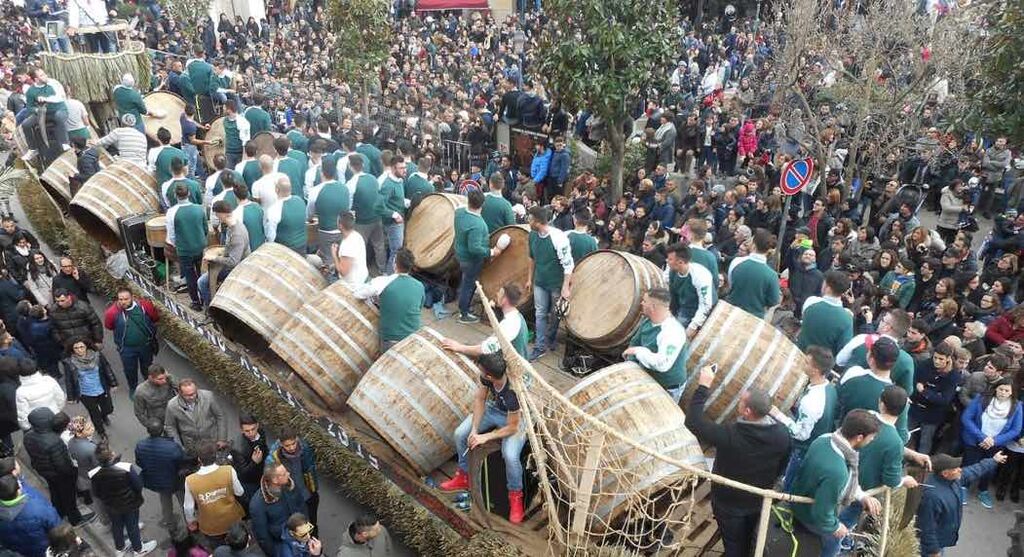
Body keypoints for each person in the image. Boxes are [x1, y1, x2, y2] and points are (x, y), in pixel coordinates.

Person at [685, 365, 791, 557]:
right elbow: (782, 466)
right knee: (750, 539)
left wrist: (703, 386)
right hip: (758, 500)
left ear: (747, 411)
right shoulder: (782, 435)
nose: (738, 403)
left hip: (728, 503)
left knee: (733, 544)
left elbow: (693, 422)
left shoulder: (731, 435)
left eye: (741, 401)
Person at [440, 352, 527, 523]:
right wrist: (474, 430)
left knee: (510, 455)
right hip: (494, 409)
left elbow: (512, 426)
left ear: (490, 376)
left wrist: (486, 436)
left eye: (481, 371)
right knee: (460, 434)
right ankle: (464, 476)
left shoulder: (512, 393)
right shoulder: (487, 378)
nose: (479, 373)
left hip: (516, 419)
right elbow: (480, 400)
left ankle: (515, 496)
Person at [790, 410, 882, 557]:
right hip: (808, 515)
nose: (871, 441)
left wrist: (862, 496)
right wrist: (836, 527)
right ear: (859, 437)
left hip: (798, 499)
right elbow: (822, 514)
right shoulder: (837, 472)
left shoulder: (824, 439)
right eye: (871, 438)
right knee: (835, 542)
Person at [839, 386, 921, 531]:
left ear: (881, 403)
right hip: (863, 490)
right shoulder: (895, 442)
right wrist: (904, 480)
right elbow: (891, 480)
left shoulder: (866, 417)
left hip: (841, 474)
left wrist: (914, 454)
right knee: (844, 523)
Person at [772, 346, 839, 491]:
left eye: (807, 363)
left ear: (815, 370)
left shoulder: (811, 402)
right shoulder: (829, 388)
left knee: (789, 487)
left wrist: (777, 414)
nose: (803, 364)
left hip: (803, 452)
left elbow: (801, 434)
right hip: (815, 446)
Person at [917, 451, 1009, 556]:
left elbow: (974, 470)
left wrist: (993, 460)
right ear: (945, 473)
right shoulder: (932, 497)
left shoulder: (953, 479)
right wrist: (933, 550)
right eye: (955, 469)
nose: (960, 470)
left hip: (941, 537)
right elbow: (926, 527)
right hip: (934, 544)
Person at [22, 408, 94, 526]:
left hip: (45, 471)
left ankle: (60, 512)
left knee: (55, 491)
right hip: (60, 475)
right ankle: (76, 519)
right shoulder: (54, 440)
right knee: (68, 496)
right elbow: (63, 465)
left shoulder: (28, 436)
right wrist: (73, 472)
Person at [960, 377, 1023, 508]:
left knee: (990, 468)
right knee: (970, 464)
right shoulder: (981, 399)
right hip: (974, 440)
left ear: (1012, 392)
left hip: (996, 444)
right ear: (995, 389)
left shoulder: (1016, 406)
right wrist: (982, 437)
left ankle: (983, 490)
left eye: (1007, 390)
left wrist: (994, 440)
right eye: (1001, 389)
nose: (1003, 393)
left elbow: (1015, 429)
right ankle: (963, 487)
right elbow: (966, 418)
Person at [89, 445, 158, 556]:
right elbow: (138, 485)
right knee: (132, 525)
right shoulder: (126, 467)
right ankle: (138, 549)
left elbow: (96, 492)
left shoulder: (93, 473)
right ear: (111, 455)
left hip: (110, 505)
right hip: (129, 503)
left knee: (116, 525)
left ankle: (120, 548)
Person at [622, 288, 689, 402]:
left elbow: (662, 364)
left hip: (667, 387)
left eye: (644, 301)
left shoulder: (673, 332)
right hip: (649, 378)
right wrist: (630, 365)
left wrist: (638, 351)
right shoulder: (648, 322)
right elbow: (634, 342)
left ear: (653, 307)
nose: (641, 303)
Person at [526, 205, 574, 360]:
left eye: (530, 219)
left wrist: (565, 287)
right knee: (540, 313)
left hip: (555, 284)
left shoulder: (558, 238)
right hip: (540, 282)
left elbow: (568, 265)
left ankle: (551, 337)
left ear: (538, 222)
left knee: (555, 314)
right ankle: (540, 346)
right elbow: (531, 258)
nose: (528, 221)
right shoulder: (532, 235)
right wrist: (529, 278)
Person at [454, 190, 509, 323]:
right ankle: (463, 313)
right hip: (471, 260)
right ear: (482, 204)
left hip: (460, 254)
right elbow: (474, 248)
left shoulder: (459, 213)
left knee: (465, 281)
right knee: (468, 285)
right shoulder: (478, 225)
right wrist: (492, 252)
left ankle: (463, 304)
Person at [354, 249, 425, 351]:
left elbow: (358, 294)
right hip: (413, 337)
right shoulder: (420, 286)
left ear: (394, 265)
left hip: (391, 338)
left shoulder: (382, 281)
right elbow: (419, 308)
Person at [442, 283, 530, 358]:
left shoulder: (510, 324)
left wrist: (459, 347)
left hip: (513, 368)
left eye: (500, 293)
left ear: (505, 300)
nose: (497, 294)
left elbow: (484, 349)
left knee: (474, 353)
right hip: (514, 358)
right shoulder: (517, 316)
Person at [184, 442, 245, 547]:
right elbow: (239, 492)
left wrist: (191, 521)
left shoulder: (190, 480)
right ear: (216, 456)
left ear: (199, 459)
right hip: (232, 519)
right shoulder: (228, 470)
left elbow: (188, 507)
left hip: (210, 525)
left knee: (219, 548)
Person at [103, 287, 158, 395]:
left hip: (145, 345)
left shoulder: (145, 306)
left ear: (132, 297)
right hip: (126, 349)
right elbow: (109, 326)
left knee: (147, 368)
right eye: (120, 299)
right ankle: (133, 388)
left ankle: (150, 386)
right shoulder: (111, 313)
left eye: (126, 299)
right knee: (130, 370)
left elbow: (154, 317)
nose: (123, 302)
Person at [909, 342, 961, 455]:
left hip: (933, 414)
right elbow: (913, 386)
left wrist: (924, 391)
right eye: (935, 357)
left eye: (941, 359)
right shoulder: (924, 364)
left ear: (948, 359)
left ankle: (921, 463)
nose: (937, 361)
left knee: (925, 442)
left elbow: (944, 400)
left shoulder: (953, 375)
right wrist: (933, 395)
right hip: (915, 408)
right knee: (906, 435)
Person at [134, 418, 185, 530]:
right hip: (175, 479)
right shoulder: (173, 447)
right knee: (183, 500)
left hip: (156, 480)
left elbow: (139, 462)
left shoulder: (140, 446)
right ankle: (189, 520)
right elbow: (182, 463)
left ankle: (170, 523)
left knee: (165, 500)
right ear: (162, 430)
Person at [167, 182, 209, 311]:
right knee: (201, 273)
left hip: (184, 250)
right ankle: (204, 298)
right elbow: (205, 228)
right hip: (200, 246)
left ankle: (196, 302)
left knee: (190, 276)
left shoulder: (171, 212)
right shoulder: (199, 208)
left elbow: (171, 235)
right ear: (189, 193)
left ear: (175, 195)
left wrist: (178, 245)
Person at [250, 462, 307, 557]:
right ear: (275, 480)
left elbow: (301, 504)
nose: (288, 474)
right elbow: (263, 536)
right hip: (283, 545)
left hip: (301, 535)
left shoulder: (289, 485)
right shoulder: (257, 504)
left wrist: (306, 525)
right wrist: (275, 553)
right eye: (284, 474)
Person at [199, 200, 250, 307]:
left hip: (237, 269)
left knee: (202, 282)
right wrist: (221, 252)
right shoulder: (233, 225)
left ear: (221, 214)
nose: (217, 217)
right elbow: (230, 247)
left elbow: (233, 262)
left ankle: (212, 310)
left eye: (217, 215)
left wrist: (213, 258)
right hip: (234, 263)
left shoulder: (237, 234)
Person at [61, 338, 116, 436]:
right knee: (94, 414)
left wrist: (113, 383)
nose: (79, 350)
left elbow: (107, 368)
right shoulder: (70, 362)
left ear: (86, 347)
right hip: (85, 393)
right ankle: (101, 433)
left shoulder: (98, 356)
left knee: (108, 409)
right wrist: (70, 397)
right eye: (76, 348)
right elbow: (69, 380)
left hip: (101, 389)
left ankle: (104, 416)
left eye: (81, 347)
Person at [267, 429, 319, 531]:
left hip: (308, 493)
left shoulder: (305, 449)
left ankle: (314, 534)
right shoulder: (274, 458)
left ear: (297, 439)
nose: (291, 448)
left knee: (313, 521)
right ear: (281, 444)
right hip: (291, 498)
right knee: (299, 526)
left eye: (293, 443)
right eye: (287, 445)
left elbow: (310, 468)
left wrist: (313, 489)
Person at [0, 474, 61, 557]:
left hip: (19, 550)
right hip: (43, 548)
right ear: (18, 490)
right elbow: (57, 528)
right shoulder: (38, 508)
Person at [164, 378, 228, 456]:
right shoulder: (172, 405)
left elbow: (220, 416)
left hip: (211, 440)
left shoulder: (208, 396)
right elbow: (170, 426)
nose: (192, 397)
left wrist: (222, 438)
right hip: (191, 445)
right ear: (180, 393)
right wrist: (179, 447)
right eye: (188, 395)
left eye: (193, 393)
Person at [797, 270, 855, 357]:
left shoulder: (811, 301)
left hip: (799, 354)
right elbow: (843, 349)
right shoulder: (847, 317)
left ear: (827, 287)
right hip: (822, 363)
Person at [726, 228, 781, 318]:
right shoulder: (772, 275)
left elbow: (731, 284)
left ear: (753, 245)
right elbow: (773, 301)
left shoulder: (737, 262)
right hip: (753, 317)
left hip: (731, 312)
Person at [664, 243, 714, 337]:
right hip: (681, 306)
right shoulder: (671, 272)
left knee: (675, 335)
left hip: (696, 310)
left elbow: (705, 305)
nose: (667, 261)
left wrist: (693, 327)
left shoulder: (700, 276)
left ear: (680, 262)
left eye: (670, 259)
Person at [20, 67, 69, 160]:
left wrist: (46, 99)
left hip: (58, 110)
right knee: (26, 124)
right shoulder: (31, 91)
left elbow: (60, 98)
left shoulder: (52, 83)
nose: (45, 76)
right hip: (43, 113)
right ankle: (32, 149)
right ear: (36, 79)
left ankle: (64, 142)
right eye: (42, 75)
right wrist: (36, 110)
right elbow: (29, 107)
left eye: (44, 74)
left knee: (58, 116)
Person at [349, 154, 387, 275]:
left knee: (360, 248)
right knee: (379, 245)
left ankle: (361, 272)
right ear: (363, 165)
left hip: (362, 222)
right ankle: (382, 270)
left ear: (350, 167)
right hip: (377, 218)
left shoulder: (351, 183)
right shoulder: (373, 179)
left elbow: (349, 206)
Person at [307, 161, 350, 263]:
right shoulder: (345, 188)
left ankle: (331, 273)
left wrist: (310, 219)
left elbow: (309, 213)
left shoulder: (315, 191)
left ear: (322, 173)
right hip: (343, 229)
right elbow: (347, 207)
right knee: (340, 256)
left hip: (326, 231)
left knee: (328, 260)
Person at [15, 357, 65, 431]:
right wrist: (57, 410)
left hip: (36, 425)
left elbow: (22, 414)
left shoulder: (20, 391)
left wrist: (27, 427)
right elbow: (60, 398)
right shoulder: (49, 380)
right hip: (55, 418)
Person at [230, 413, 267, 511]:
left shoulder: (261, 433)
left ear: (257, 425)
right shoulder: (237, 447)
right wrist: (254, 463)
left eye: (253, 429)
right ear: (242, 430)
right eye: (247, 431)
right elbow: (242, 473)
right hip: (249, 482)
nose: (251, 433)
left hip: (262, 475)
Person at [378, 156, 408, 274]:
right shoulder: (388, 185)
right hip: (393, 224)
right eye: (401, 168)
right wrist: (394, 214)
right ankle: (389, 275)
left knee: (396, 250)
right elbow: (378, 207)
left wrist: (406, 202)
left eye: (405, 167)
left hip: (399, 222)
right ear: (393, 168)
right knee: (396, 251)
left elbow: (396, 199)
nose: (404, 170)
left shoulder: (400, 180)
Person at [265, 177, 308, 254]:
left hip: (285, 249)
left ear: (277, 190)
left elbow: (271, 236)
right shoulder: (300, 200)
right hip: (302, 244)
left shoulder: (274, 209)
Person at [134, 363, 177, 428]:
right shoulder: (141, 391)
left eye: (165, 377)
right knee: (158, 430)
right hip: (158, 418)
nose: (164, 381)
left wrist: (170, 377)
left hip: (173, 412)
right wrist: (150, 425)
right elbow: (139, 412)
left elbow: (182, 389)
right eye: (160, 379)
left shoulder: (168, 379)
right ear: (150, 377)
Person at [332, 212, 368, 286]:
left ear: (340, 225)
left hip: (352, 284)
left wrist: (334, 255)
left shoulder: (347, 245)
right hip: (362, 276)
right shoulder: (357, 235)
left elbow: (343, 272)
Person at [231, 183, 266, 252]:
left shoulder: (236, 213)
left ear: (235, 196)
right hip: (262, 245)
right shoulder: (257, 206)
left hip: (249, 250)